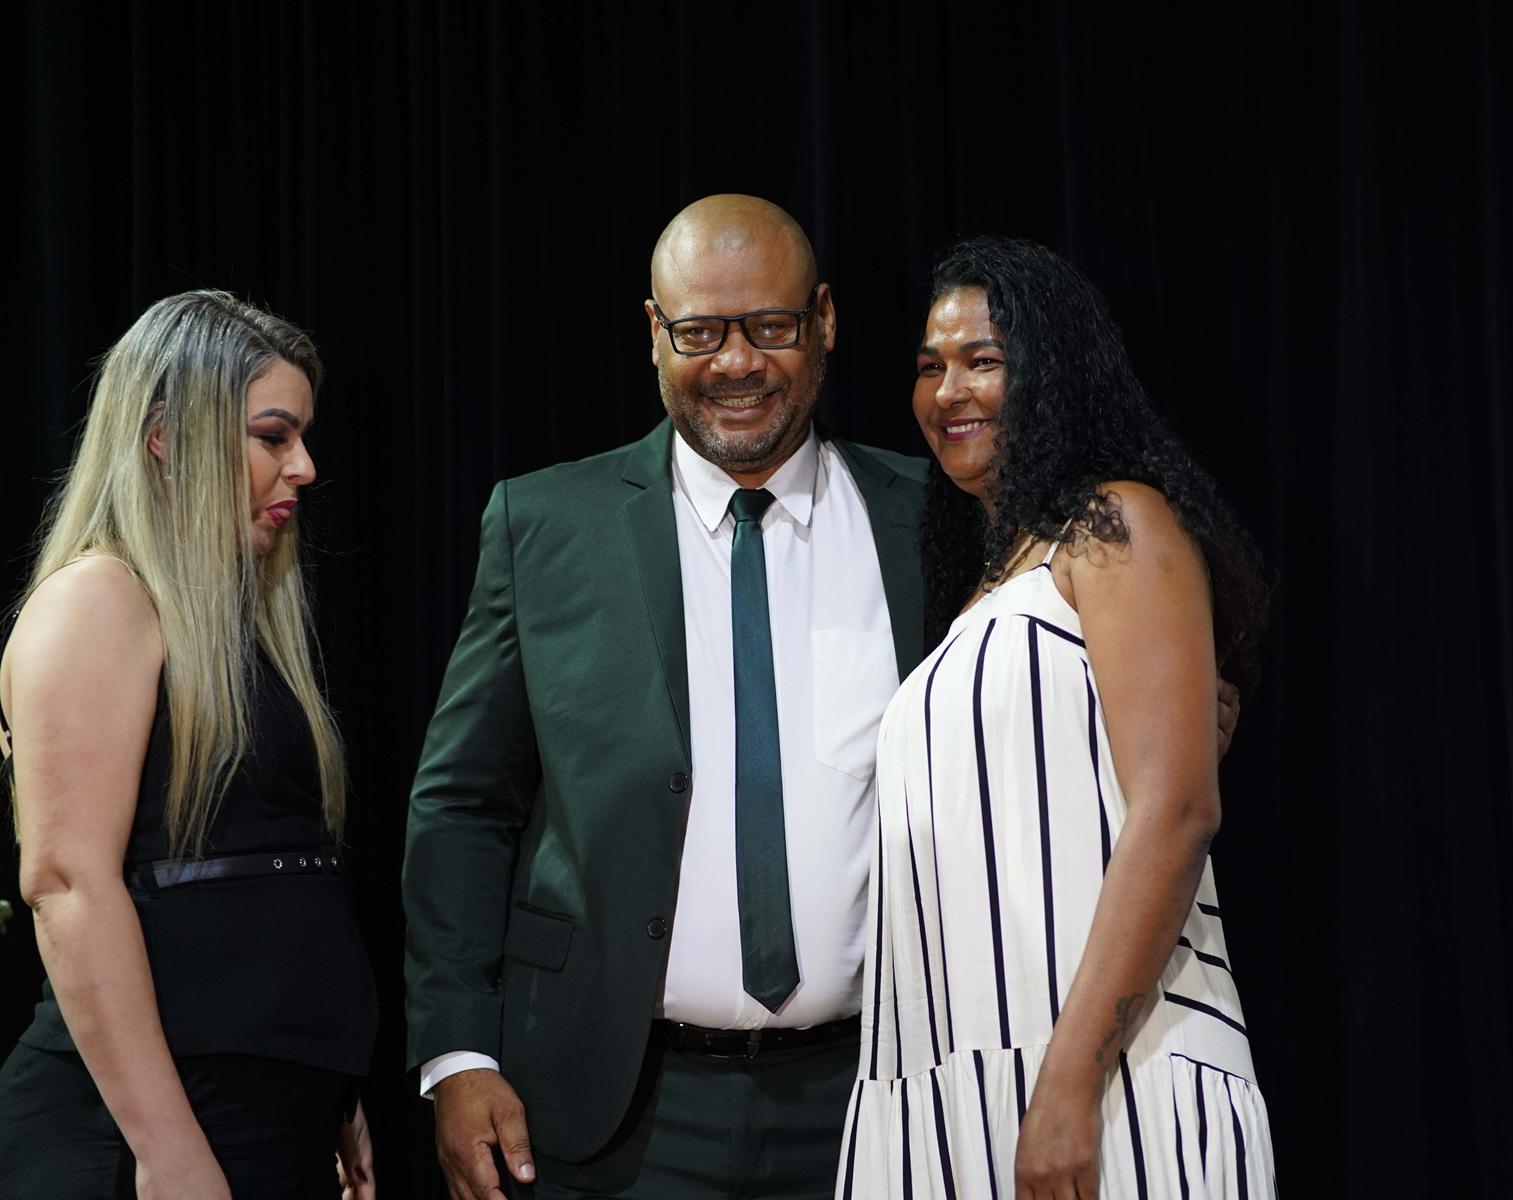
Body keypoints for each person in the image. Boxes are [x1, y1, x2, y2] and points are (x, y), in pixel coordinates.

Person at [403, 196, 1240, 1200]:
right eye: (701, 332)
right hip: (611, 1108)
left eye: (771, 327)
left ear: (826, 321)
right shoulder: (545, 525)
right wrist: (457, 1051)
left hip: (882, 1094)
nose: (737, 363)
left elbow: (1091, 716)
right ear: (654, 333)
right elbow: (462, 804)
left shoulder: (937, 518)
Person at [837, 236, 1277, 1199]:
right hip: (950, 1089)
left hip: (1110, 1081)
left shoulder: (1115, 525)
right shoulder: (983, 589)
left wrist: (1071, 1083)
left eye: (982, 360)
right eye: (929, 366)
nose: (948, 390)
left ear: (1053, 371)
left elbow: (1176, 811)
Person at [0, 291, 378, 1199]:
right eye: (273, 436)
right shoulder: (99, 599)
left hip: (255, 1114)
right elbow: (67, 884)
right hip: (145, 1135)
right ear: (166, 436)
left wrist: (325, 1089)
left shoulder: (229, 626)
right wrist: (167, 1149)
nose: (304, 467)